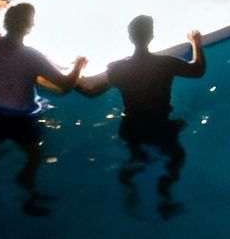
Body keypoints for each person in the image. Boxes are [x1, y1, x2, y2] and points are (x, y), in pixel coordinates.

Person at [78, 15, 204, 217]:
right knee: (177, 157)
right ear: (152, 36)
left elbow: (91, 91)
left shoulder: (118, 68)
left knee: (136, 159)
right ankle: (165, 195)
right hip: (161, 125)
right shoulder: (166, 63)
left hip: (132, 127)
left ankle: (130, 191)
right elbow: (198, 70)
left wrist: (74, 73)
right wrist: (196, 43)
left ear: (130, 37)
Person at [0, 1, 88, 213]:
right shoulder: (30, 55)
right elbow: (65, 84)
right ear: (30, 26)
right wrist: (79, 66)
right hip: (21, 121)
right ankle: (26, 183)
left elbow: (23, 63)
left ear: (7, 23)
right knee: (35, 156)